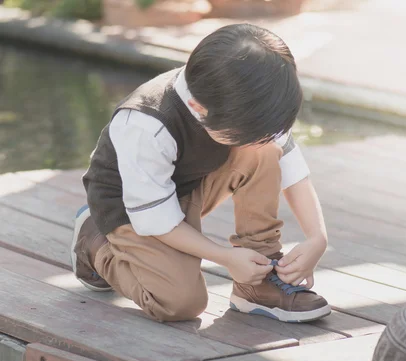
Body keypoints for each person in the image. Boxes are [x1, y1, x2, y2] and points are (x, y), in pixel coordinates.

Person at [71, 23, 331, 323]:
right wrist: (225, 257)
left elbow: (291, 166)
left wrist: (317, 238)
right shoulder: (145, 123)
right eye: (244, 135)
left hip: (191, 186)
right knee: (179, 303)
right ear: (198, 108)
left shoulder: (240, 95)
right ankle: (95, 245)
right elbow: (155, 219)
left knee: (265, 151)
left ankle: (257, 283)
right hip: (131, 210)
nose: (258, 141)